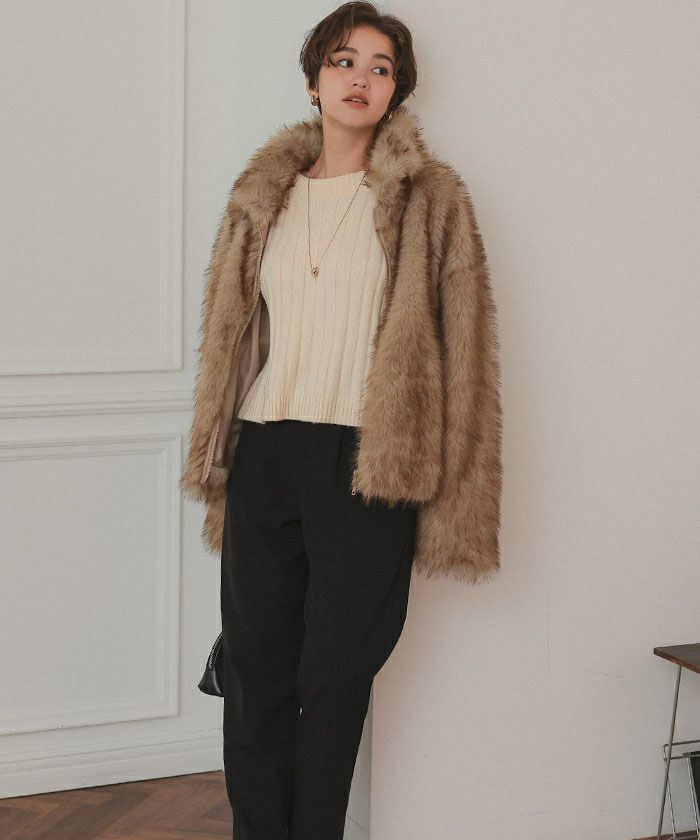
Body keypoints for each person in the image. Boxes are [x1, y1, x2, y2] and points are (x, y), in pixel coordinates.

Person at [180, 2, 503, 837]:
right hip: (265, 451)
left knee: (334, 675)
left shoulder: (429, 198)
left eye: (381, 67)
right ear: (314, 80)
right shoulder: (262, 197)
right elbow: (232, 335)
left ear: (397, 91)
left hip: (367, 460)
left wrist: (460, 492)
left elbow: (467, 352)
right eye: (343, 60)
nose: (361, 78)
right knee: (254, 669)